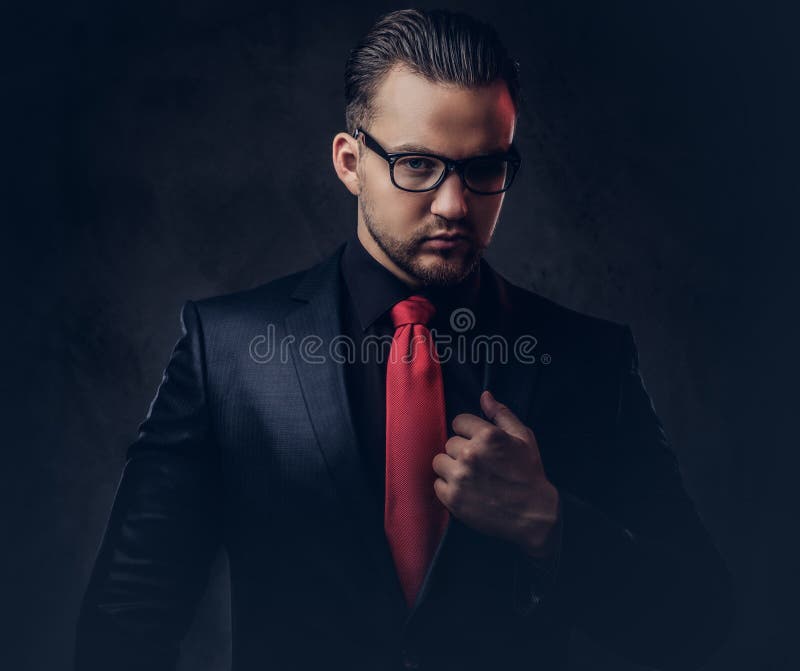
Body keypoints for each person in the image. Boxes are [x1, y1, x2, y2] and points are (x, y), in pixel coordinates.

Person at [74, 8, 735, 671]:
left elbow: (701, 622)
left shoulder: (590, 359)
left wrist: (548, 522)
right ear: (350, 161)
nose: (454, 203)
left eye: (484, 168)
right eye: (417, 164)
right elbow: (126, 621)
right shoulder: (227, 351)